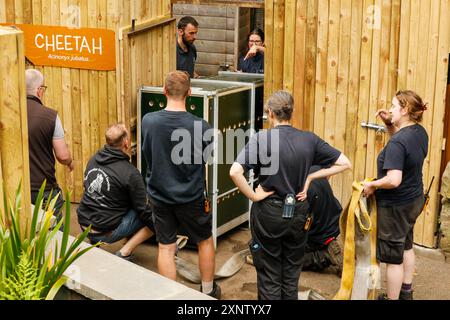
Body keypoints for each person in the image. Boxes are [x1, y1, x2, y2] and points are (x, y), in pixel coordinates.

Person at [230, 90, 351, 300]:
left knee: (269, 273)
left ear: (270, 113)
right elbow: (345, 163)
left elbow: (235, 171)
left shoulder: (262, 139)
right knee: (291, 273)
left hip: (268, 213)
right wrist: (311, 177)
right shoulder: (309, 139)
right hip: (298, 213)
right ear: (291, 113)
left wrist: (254, 196)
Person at [141, 71, 220, 298]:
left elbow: (148, 153)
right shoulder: (203, 127)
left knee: (166, 246)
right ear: (190, 93)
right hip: (192, 196)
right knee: (205, 240)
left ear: (164, 91)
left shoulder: (149, 121)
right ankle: (208, 291)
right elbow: (206, 159)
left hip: (159, 196)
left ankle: (169, 296)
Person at [363, 90, 429, 300]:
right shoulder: (419, 132)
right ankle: (406, 292)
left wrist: (373, 185)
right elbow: (402, 149)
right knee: (406, 245)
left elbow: (393, 179)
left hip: (395, 206)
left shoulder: (398, 143)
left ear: (405, 110)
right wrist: (389, 124)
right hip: (413, 200)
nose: (389, 109)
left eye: (393, 106)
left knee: (393, 257)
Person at [77, 123, 154, 260]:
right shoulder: (130, 173)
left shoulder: (93, 159)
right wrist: (161, 230)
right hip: (106, 232)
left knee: (110, 198)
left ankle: (94, 241)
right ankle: (125, 251)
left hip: (84, 223)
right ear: (126, 143)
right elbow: (144, 210)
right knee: (155, 212)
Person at [26, 69, 74, 219]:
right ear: (39, 91)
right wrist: (70, 162)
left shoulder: (7, 113)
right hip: (43, 188)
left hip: (14, 188)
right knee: (51, 234)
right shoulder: (50, 116)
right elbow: (62, 156)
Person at [301, 166, 343, 274]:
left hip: (317, 231)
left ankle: (325, 256)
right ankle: (327, 245)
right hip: (333, 222)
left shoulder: (298, 184)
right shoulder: (315, 169)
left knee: (289, 260)